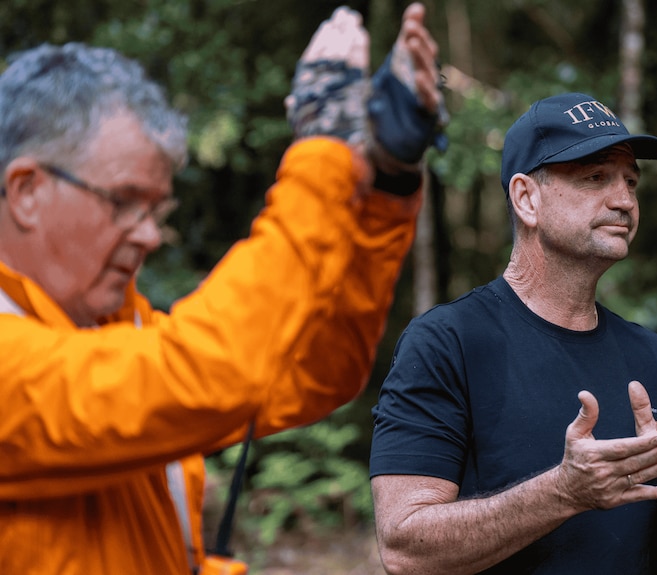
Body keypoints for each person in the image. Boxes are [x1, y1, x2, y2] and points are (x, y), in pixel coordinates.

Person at [0, 3, 446, 574]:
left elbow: (315, 372)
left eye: (157, 208)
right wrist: (325, 156)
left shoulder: (115, 334)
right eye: (123, 202)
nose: (150, 234)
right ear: (27, 191)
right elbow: (204, 374)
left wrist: (384, 181)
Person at [369, 92, 657, 574]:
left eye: (632, 181)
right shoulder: (448, 344)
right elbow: (405, 550)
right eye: (595, 177)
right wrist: (563, 493)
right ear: (527, 198)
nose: (624, 199)